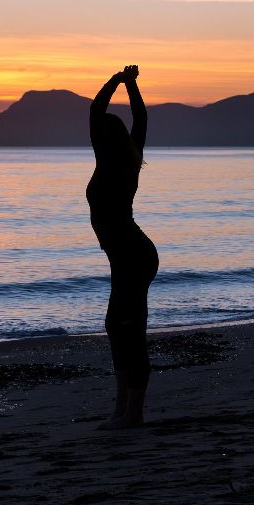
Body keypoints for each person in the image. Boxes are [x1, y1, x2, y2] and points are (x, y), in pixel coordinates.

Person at [86, 65, 159, 429]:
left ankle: (134, 413)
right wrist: (130, 86)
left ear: (104, 138)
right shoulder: (128, 158)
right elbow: (140, 116)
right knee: (118, 327)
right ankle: (122, 409)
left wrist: (117, 81)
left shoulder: (115, 161)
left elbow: (95, 111)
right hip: (129, 255)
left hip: (133, 255)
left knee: (128, 329)